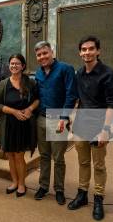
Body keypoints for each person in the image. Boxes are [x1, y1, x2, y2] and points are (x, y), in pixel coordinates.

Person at [68, 36, 113, 221]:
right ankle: (82, 194)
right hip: (81, 125)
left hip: (99, 126)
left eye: (90, 49)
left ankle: (98, 198)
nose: (87, 52)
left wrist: (106, 130)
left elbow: (112, 105)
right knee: (83, 163)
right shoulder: (79, 73)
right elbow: (78, 100)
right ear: (80, 53)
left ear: (98, 51)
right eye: (83, 49)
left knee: (98, 165)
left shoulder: (109, 74)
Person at [33, 40, 77, 205]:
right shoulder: (38, 73)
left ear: (52, 52)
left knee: (58, 158)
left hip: (58, 118)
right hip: (41, 118)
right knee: (44, 156)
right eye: (39, 55)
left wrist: (64, 118)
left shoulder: (66, 69)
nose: (42, 57)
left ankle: (59, 189)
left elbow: (71, 95)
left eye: (45, 53)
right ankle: (43, 186)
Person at [0, 54, 39, 197]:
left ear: (23, 66)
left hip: (23, 124)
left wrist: (30, 109)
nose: (14, 66)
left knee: (19, 156)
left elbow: (37, 99)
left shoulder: (30, 82)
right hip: (7, 124)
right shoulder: (3, 84)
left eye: (17, 63)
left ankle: (21, 184)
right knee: (10, 155)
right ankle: (14, 182)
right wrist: (13, 111)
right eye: (12, 63)